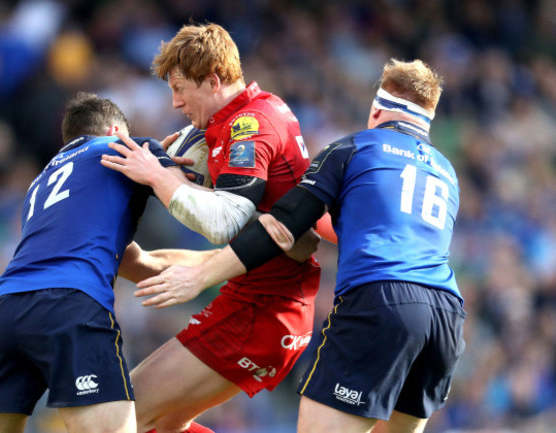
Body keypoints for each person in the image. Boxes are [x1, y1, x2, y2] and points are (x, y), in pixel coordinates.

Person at [135, 59, 466, 433]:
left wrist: (198, 277)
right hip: (446, 317)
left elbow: (283, 228)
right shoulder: (445, 171)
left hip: (381, 301)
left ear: (376, 109)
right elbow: (354, 227)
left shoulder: (353, 148)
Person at [100, 23, 321, 433]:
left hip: (265, 307)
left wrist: (158, 176)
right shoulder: (245, 115)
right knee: (163, 426)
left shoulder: (249, 126)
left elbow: (223, 223)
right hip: (260, 293)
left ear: (214, 79)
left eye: (181, 88)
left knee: (125, 415)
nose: (176, 102)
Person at [0, 92, 219, 433]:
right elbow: (206, 210)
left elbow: (138, 262)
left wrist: (219, 265)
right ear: (117, 130)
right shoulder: (126, 148)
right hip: (68, 306)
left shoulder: (40, 185)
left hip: (3, 314)